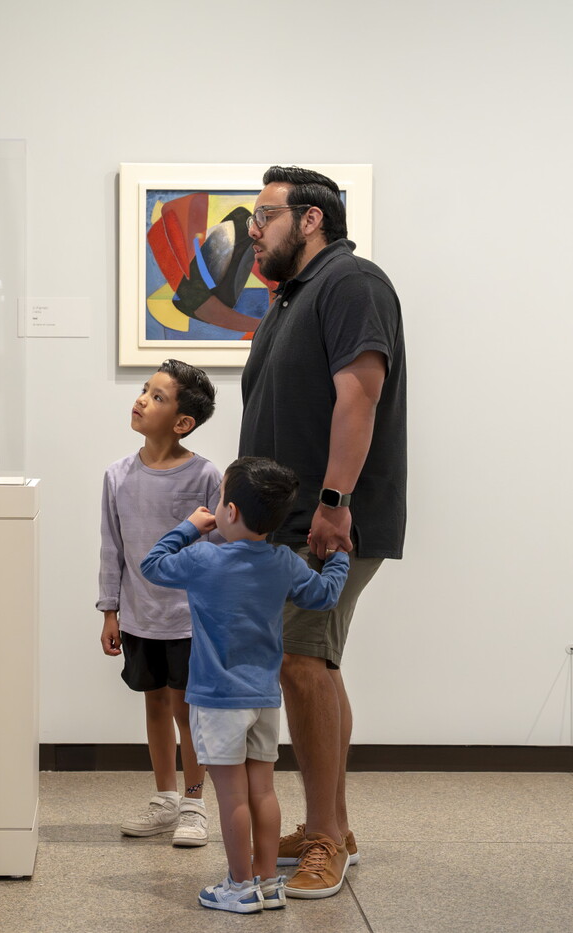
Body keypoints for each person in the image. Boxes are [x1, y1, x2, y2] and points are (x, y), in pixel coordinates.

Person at [239, 165, 407, 898]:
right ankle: (331, 821)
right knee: (312, 663)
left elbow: (359, 393)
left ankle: (328, 837)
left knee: (304, 662)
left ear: (310, 220)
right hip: (295, 518)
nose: (252, 228)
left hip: (329, 517)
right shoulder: (290, 300)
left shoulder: (351, 282)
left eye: (264, 214)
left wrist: (335, 502)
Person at [141, 456, 349, 913]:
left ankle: (239, 886)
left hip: (218, 702)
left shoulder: (202, 557)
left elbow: (152, 565)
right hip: (263, 700)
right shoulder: (283, 563)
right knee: (263, 791)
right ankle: (267, 881)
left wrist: (190, 527)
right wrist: (340, 559)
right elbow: (325, 596)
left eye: (218, 501)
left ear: (229, 511)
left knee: (232, 796)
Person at [97, 358, 221, 846]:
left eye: (158, 396)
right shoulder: (116, 475)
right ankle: (165, 799)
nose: (142, 399)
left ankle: (194, 803)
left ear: (183, 422)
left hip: (190, 620)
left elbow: (217, 552)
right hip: (139, 616)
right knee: (153, 705)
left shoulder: (206, 476)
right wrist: (110, 609)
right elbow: (112, 546)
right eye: (145, 390)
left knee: (187, 712)